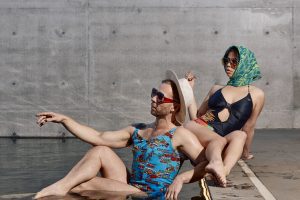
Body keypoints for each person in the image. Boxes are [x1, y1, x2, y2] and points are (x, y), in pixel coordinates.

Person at [34, 70, 208, 200]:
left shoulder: (180, 135)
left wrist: (181, 179)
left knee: (81, 185)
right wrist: (64, 119)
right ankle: (60, 188)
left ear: (174, 107)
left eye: (160, 97)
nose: (153, 99)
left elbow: (206, 164)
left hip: (149, 195)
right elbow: (98, 136)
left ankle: (56, 190)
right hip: (131, 188)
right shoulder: (138, 131)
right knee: (101, 150)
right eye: (154, 93)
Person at [184, 46, 265, 187]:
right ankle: (215, 162)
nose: (228, 64)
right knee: (203, 131)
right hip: (200, 128)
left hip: (218, 143)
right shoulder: (216, 88)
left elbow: (249, 127)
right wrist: (190, 90)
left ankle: (223, 171)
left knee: (240, 135)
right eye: (226, 60)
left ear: (245, 64)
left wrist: (245, 153)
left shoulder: (257, 94)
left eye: (234, 61)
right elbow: (198, 115)